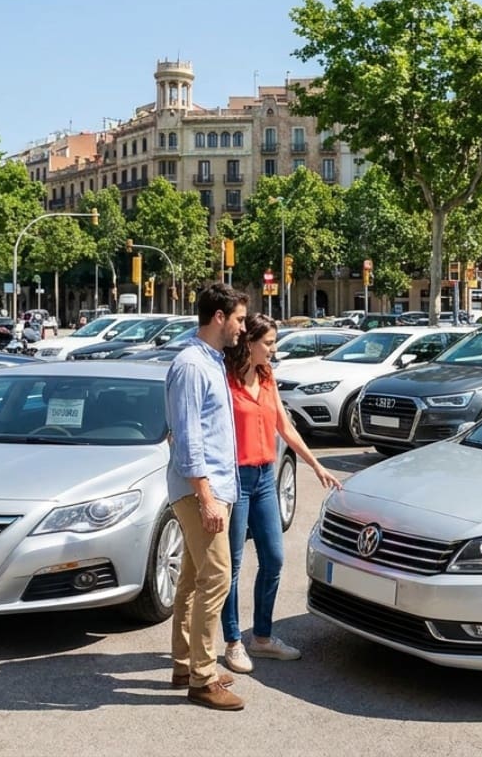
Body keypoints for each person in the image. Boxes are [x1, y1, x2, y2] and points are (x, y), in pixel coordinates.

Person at [219, 313, 342, 675]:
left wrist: (315, 465)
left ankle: (262, 637)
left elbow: (284, 426)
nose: (274, 349)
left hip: (264, 479)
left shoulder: (267, 376)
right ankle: (233, 642)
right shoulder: (225, 379)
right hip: (235, 480)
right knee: (232, 565)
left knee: (273, 558)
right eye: (269, 343)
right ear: (249, 343)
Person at [165, 283, 249, 711]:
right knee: (216, 577)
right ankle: (203, 677)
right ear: (219, 317)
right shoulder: (191, 365)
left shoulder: (212, 361)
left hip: (213, 487)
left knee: (193, 578)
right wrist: (206, 496)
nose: (242, 328)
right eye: (238, 319)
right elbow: (188, 438)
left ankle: (185, 665)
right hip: (202, 489)